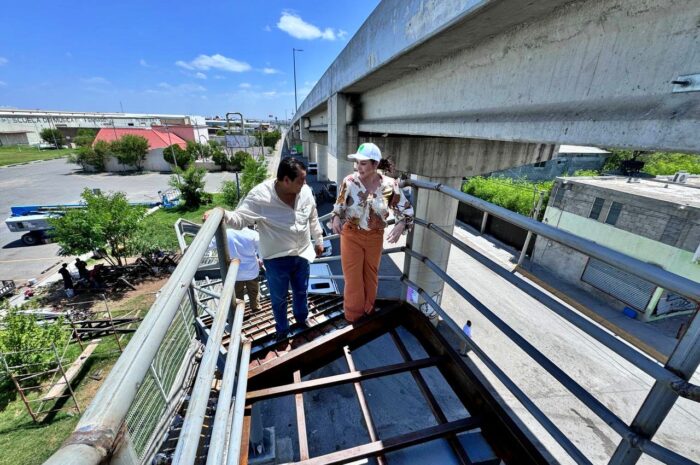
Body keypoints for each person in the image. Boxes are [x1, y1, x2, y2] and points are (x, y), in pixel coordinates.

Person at [204, 157, 324, 341]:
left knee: (301, 292)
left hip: (302, 254)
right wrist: (221, 213)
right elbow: (240, 219)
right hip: (276, 259)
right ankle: (282, 331)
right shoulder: (261, 197)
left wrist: (319, 239)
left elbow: (313, 216)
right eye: (300, 180)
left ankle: (302, 320)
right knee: (279, 299)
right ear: (286, 180)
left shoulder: (305, 191)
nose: (305, 184)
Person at [330, 143, 414, 322]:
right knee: (353, 279)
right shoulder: (349, 182)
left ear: (375, 165)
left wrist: (400, 225)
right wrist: (336, 218)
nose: (358, 167)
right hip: (351, 234)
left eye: (363, 163)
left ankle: (368, 311)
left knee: (370, 275)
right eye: (357, 163)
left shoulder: (390, 185)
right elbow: (339, 206)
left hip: (375, 236)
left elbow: (406, 210)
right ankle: (353, 316)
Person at [211, 227, 262, 312]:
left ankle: (240, 312)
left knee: (237, 293)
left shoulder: (225, 233)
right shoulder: (253, 234)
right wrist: (261, 260)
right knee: (254, 291)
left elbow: (209, 245)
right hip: (251, 270)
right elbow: (262, 251)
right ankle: (255, 306)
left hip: (234, 272)